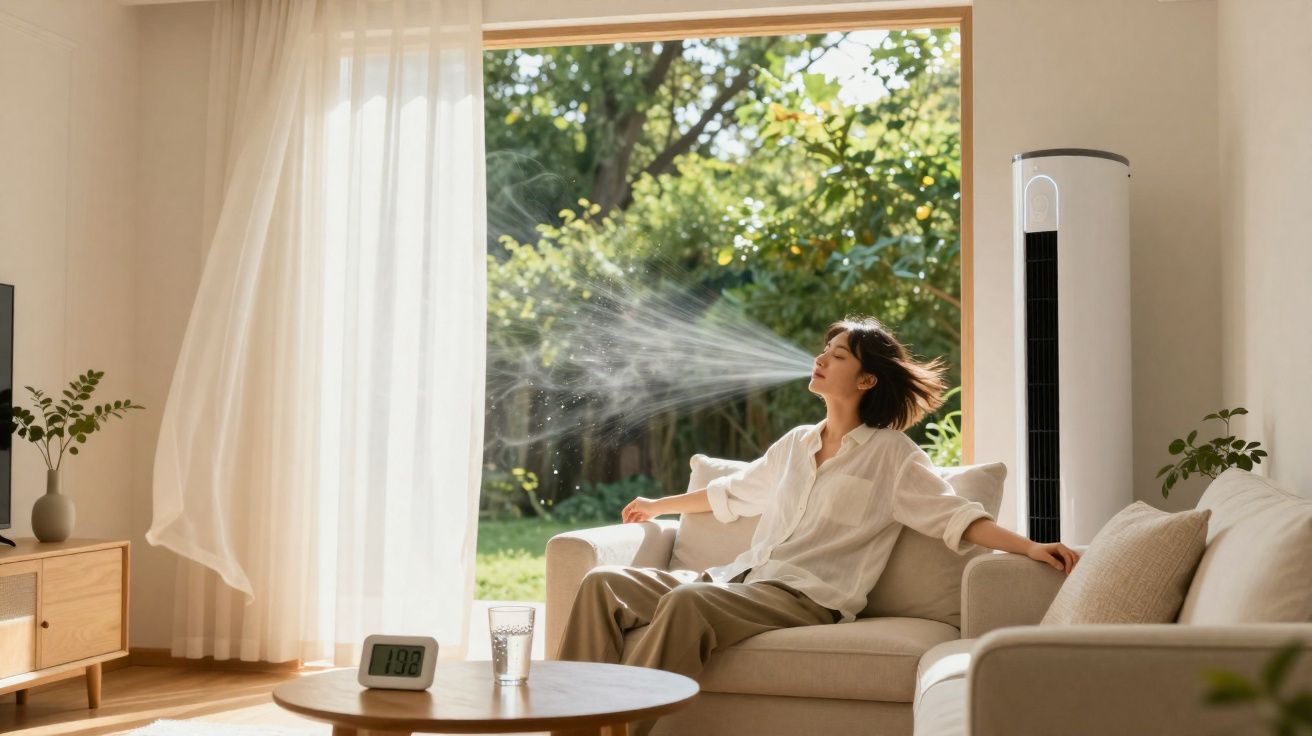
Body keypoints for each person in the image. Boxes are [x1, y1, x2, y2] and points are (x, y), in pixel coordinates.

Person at [556, 317, 1080, 735]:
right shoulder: (796, 443)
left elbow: (955, 517)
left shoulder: (891, 455)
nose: (821, 359)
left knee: (686, 603)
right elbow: (734, 493)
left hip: (806, 596)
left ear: (867, 378)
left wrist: (1030, 547)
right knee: (604, 584)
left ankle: (618, 728)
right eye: (824, 351)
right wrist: (659, 504)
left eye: (838, 355)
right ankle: (568, 728)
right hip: (741, 579)